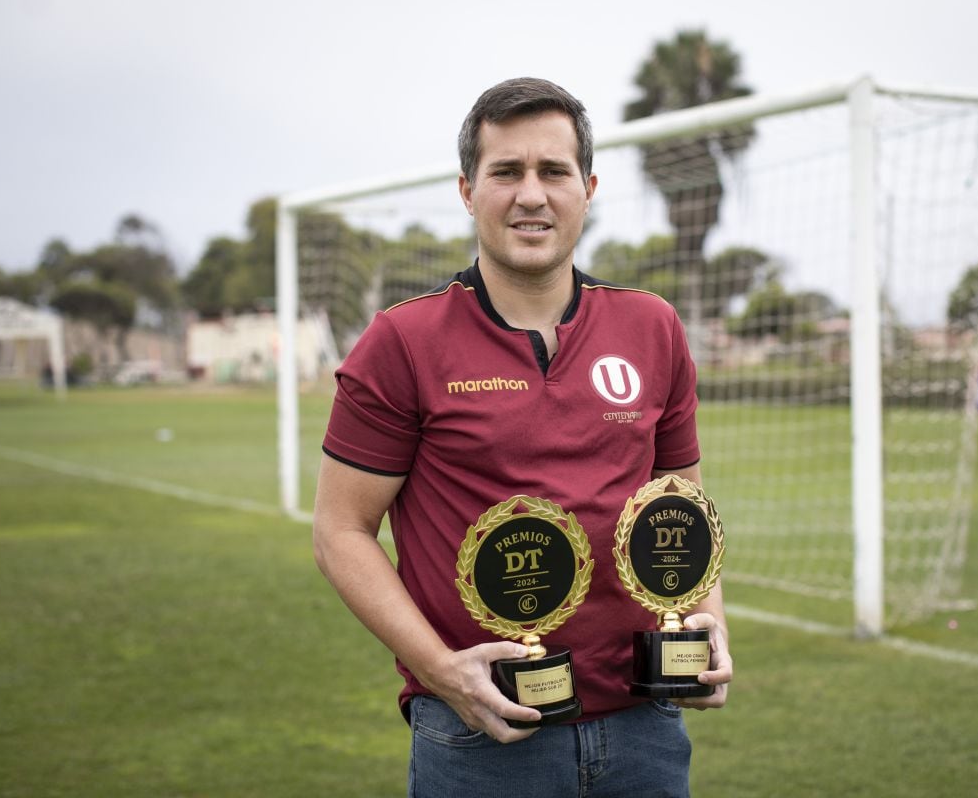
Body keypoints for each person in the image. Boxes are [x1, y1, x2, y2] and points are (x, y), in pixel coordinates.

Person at [313, 76, 732, 798]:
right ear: (468, 191)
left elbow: (683, 511)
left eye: (553, 171)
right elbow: (340, 530)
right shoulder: (403, 341)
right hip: (480, 727)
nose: (531, 194)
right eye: (506, 171)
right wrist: (444, 672)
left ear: (588, 187)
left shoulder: (651, 326)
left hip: (645, 724)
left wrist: (705, 625)